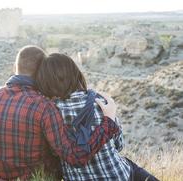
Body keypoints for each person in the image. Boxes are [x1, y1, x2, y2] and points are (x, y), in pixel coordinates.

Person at [0, 45, 120, 180]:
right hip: (38, 177)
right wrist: (108, 123)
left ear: (16, 67)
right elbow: (75, 158)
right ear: (44, 71)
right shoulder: (43, 106)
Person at [35, 53, 159, 181]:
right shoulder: (101, 102)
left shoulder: (50, 112)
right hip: (118, 175)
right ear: (75, 74)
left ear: (46, 82)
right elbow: (119, 144)